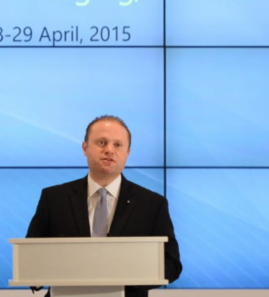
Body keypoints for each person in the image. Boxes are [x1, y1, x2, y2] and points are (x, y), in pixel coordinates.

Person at [26, 115, 183, 297]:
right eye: (101, 143)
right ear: (85, 148)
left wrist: (124, 277)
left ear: (127, 152)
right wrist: (37, 277)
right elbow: (30, 256)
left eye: (118, 145)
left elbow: (171, 264)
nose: (109, 150)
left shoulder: (152, 204)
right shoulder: (53, 198)